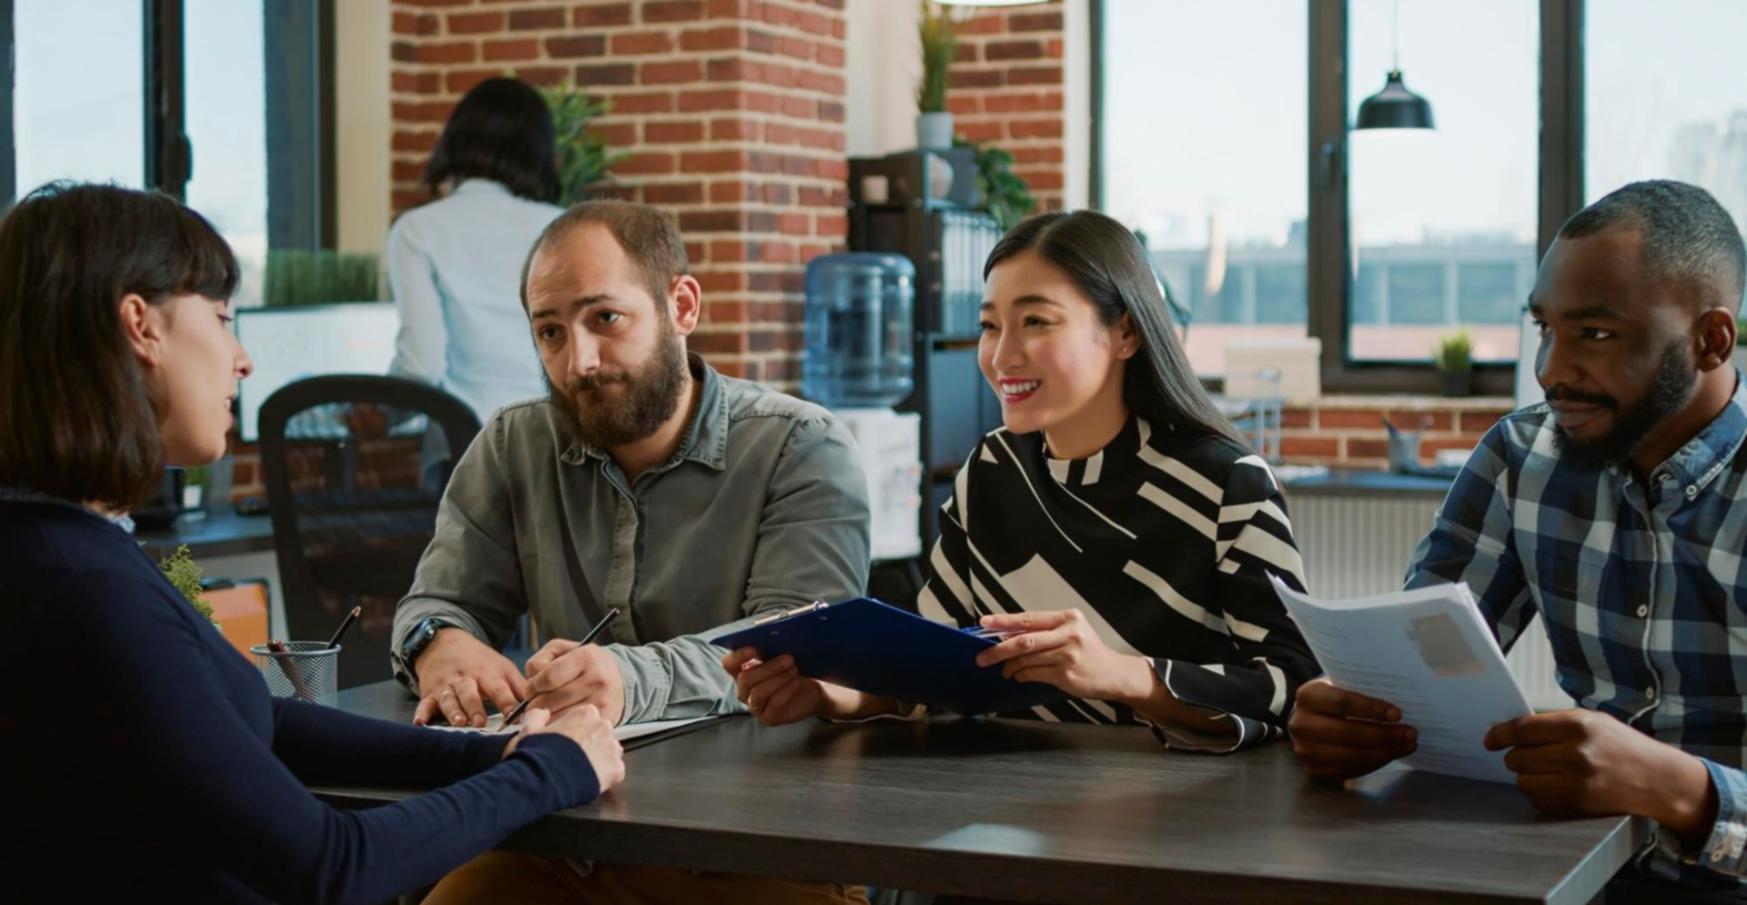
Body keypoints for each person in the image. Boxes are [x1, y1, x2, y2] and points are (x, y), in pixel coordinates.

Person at [0, 183, 624, 903]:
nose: (242, 359)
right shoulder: (90, 592)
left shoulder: (58, 552)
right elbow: (332, 866)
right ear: (141, 325)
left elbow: (259, 720)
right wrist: (552, 767)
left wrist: (487, 752)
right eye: (222, 318)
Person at [393, 200, 871, 904]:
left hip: (754, 847)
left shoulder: (799, 448)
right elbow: (436, 602)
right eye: (549, 332)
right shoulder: (512, 444)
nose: (577, 360)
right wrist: (441, 644)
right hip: (564, 841)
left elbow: (796, 646)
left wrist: (622, 678)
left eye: (604, 319)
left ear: (681, 304)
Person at [1288, 180, 1747, 901]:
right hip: (1568, 871)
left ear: (1709, 338)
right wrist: (1355, 713)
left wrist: (1682, 791)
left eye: (1594, 333)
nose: (1549, 370)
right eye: (1544, 329)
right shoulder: (1522, 455)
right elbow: (1420, 662)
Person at [723, 210, 1318, 751]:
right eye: (989, 326)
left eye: (1036, 321)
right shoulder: (990, 471)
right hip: (1007, 812)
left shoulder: (1228, 484)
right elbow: (934, 670)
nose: (1003, 355)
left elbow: (1294, 688)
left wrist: (1121, 675)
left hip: (1181, 821)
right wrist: (828, 695)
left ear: (1125, 334)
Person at [388, 77, 565, 422]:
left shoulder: (417, 231)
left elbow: (422, 365)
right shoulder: (568, 228)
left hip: (468, 451)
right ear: (540, 151)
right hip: (563, 450)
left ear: (455, 141)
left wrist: (376, 414)